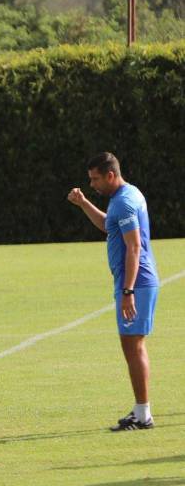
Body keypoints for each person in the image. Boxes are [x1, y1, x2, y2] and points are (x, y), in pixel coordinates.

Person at [67, 152, 159, 431]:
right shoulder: (125, 197)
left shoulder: (125, 202)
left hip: (136, 283)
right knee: (131, 345)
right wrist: (84, 203)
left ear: (110, 175)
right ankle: (141, 411)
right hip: (134, 283)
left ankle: (143, 415)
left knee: (134, 346)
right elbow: (109, 226)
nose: (92, 184)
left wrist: (128, 291)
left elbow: (134, 246)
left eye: (95, 179)